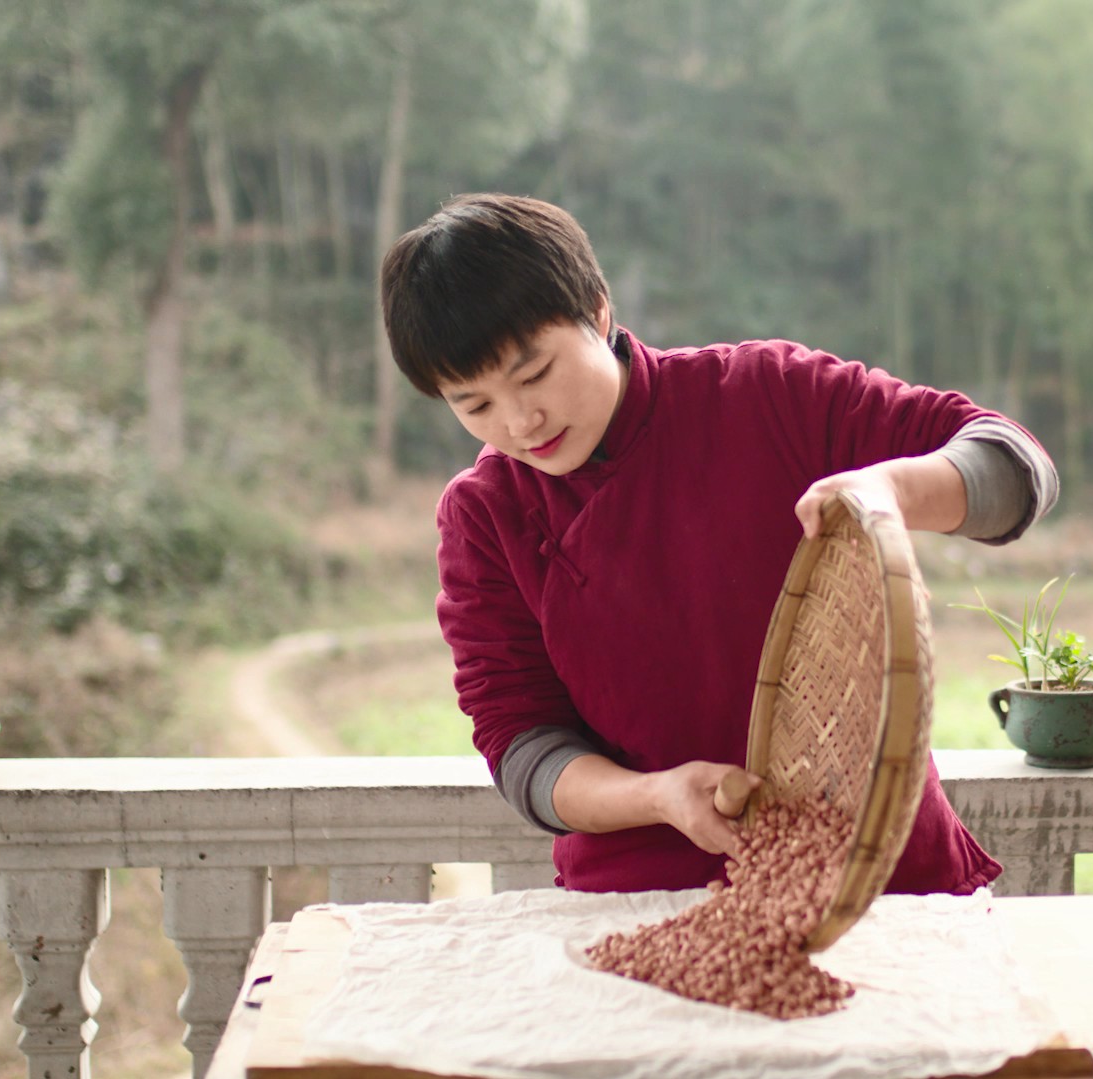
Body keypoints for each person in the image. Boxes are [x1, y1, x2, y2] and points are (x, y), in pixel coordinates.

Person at [380, 193, 1058, 894]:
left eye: (534, 374)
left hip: (881, 880)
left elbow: (1018, 468)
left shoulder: (765, 396)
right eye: (476, 405)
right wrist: (656, 797)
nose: (522, 422)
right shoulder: (486, 518)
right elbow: (521, 746)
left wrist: (891, 492)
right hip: (641, 900)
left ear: (599, 310)